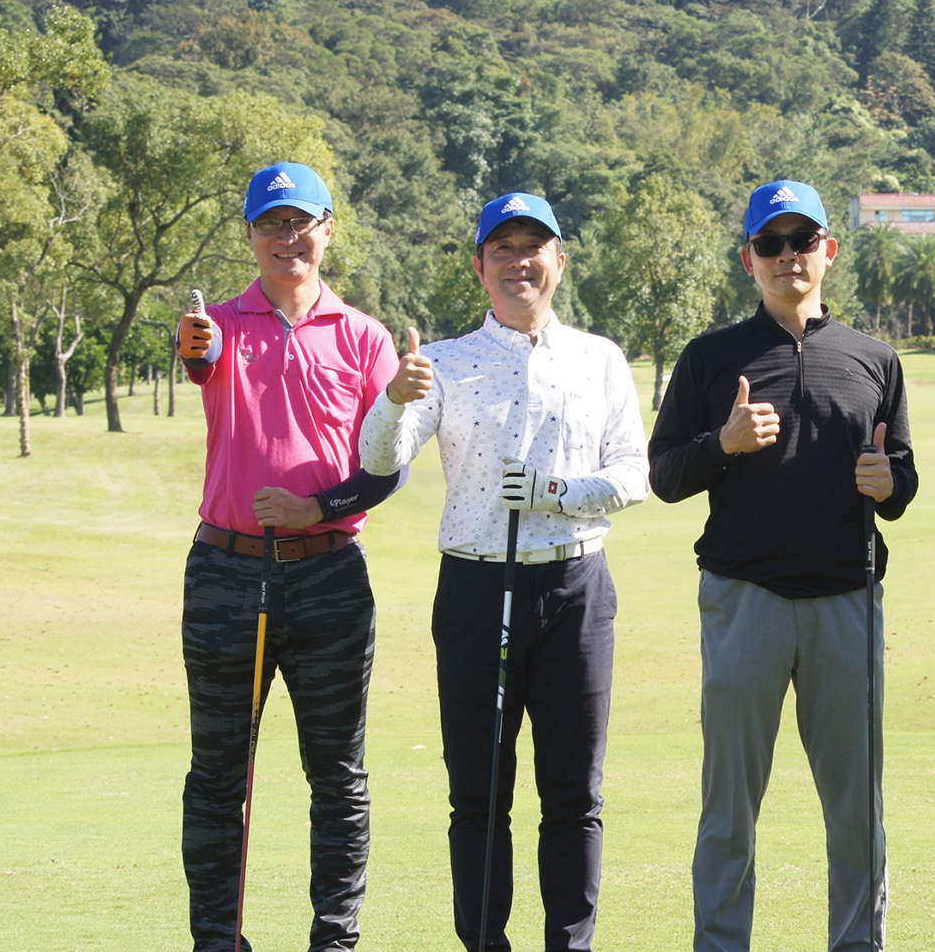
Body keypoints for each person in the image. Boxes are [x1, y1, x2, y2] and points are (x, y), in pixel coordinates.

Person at [358, 192, 649, 951]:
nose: (519, 262)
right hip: (478, 590)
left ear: (560, 261)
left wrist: (559, 493)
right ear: (480, 267)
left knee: (574, 795)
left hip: (577, 588)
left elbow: (633, 474)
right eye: (503, 249)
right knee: (480, 795)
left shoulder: (599, 358)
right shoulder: (445, 363)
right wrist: (393, 399)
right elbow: (380, 459)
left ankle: (570, 945)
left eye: (533, 248)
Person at [648, 180, 918, 952]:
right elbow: (665, 475)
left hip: (847, 602)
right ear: (749, 260)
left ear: (828, 251)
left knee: (857, 808)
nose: (787, 255)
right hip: (744, 601)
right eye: (771, 243)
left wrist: (890, 483)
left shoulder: (874, 359)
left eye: (802, 241)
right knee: (729, 807)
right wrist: (722, 444)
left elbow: (900, 479)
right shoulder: (710, 358)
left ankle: (858, 943)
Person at [175, 161, 403, 952]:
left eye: (300, 222)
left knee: (337, 777)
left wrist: (321, 507)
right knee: (217, 777)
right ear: (250, 234)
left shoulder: (365, 337)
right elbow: (200, 358)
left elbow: (387, 467)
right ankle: (217, 941)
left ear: (327, 230)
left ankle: (333, 942)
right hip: (226, 575)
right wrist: (195, 351)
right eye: (271, 223)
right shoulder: (217, 325)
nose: (287, 238)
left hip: (329, 576)